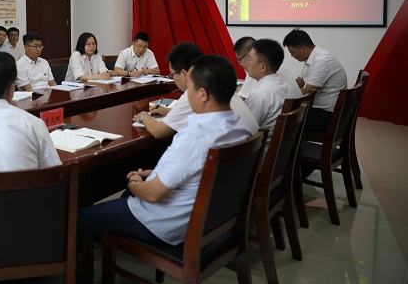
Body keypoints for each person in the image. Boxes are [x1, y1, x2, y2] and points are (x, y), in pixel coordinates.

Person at [78, 55, 253, 246]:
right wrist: (156, 173)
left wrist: (134, 182)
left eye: (190, 88)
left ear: (202, 94)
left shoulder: (193, 137)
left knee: (77, 220)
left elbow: (152, 194)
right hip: (207, 219)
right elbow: (199, 172)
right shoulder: (239, 128)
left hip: (162, 223)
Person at [137, 42, 259, 138]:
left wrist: (144, 117)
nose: (172, 78)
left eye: (172, 74)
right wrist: (168, 111)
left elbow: (159, 132)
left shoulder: (195, 93)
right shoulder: (219, 83)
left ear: (184, 74)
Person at [283, 28, 347, 133]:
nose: (292, 56)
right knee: (282, 114)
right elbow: (299, 82)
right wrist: (281, 84)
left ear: (303, 49)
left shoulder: (322, 61)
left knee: (281, 120)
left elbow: (307, 92)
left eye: (293, 52)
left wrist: (281, 90)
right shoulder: (310, 58)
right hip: (318, 110)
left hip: (326, 115)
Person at [242, 39, 301, 133]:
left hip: (263, 142)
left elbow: (242, 130)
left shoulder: (259, 95)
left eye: (249, 59)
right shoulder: (287, 87)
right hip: (282, 142)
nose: (246, 63)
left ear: (262, 66)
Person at [234, 36, 301, 99]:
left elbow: (242, 100)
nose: (239, 64)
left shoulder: (256, 71)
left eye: (239, 60)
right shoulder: (276, 66)